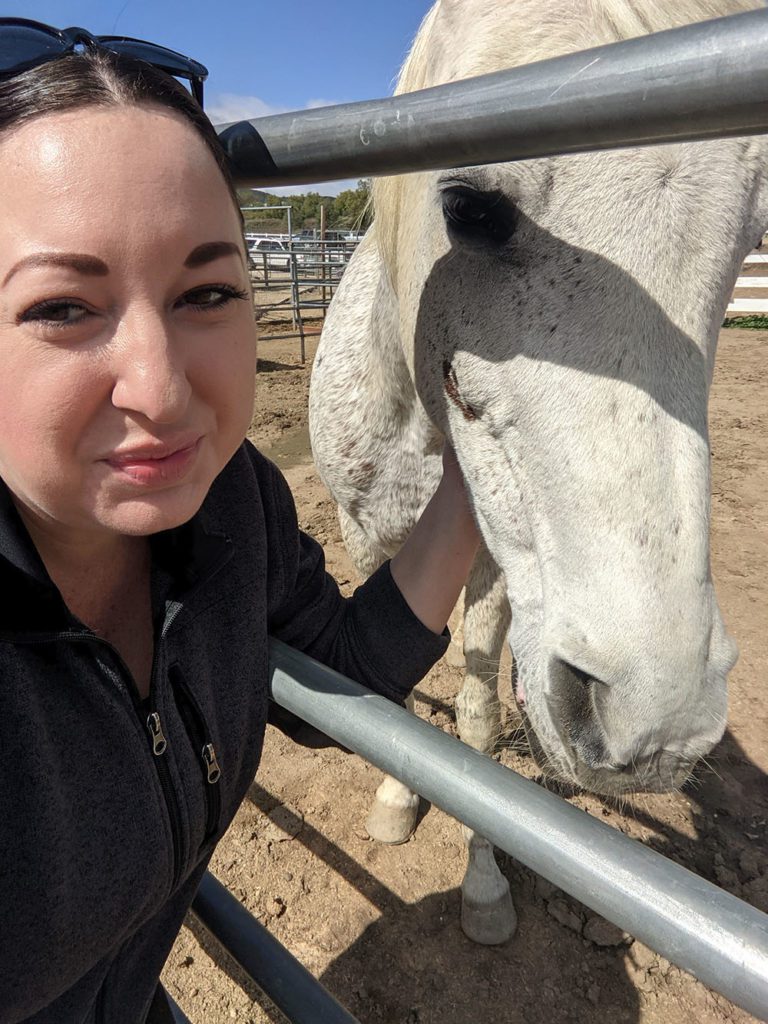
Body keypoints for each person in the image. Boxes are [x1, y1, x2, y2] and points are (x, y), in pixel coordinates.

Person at [0, 21, 481, 1024]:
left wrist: (478, 479)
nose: (163, 389)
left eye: (206, 291)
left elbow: (332, 676)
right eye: (63, 308)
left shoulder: (231, 503)